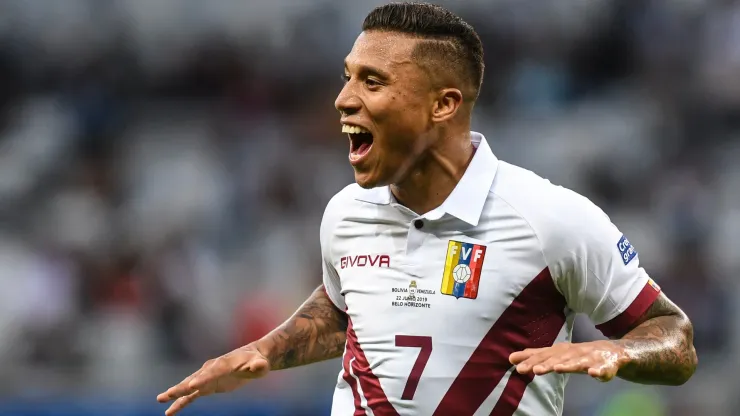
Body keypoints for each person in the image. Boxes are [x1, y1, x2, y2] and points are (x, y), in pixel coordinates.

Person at [157, 3, 698, 415]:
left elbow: (674, 339)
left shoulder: (550, 219)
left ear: (443, 105)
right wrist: (268, 350)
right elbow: (349, 310)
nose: (344, 98)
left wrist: (617, 354)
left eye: (373, 81)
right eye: (347, 76)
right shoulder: (346, 213)